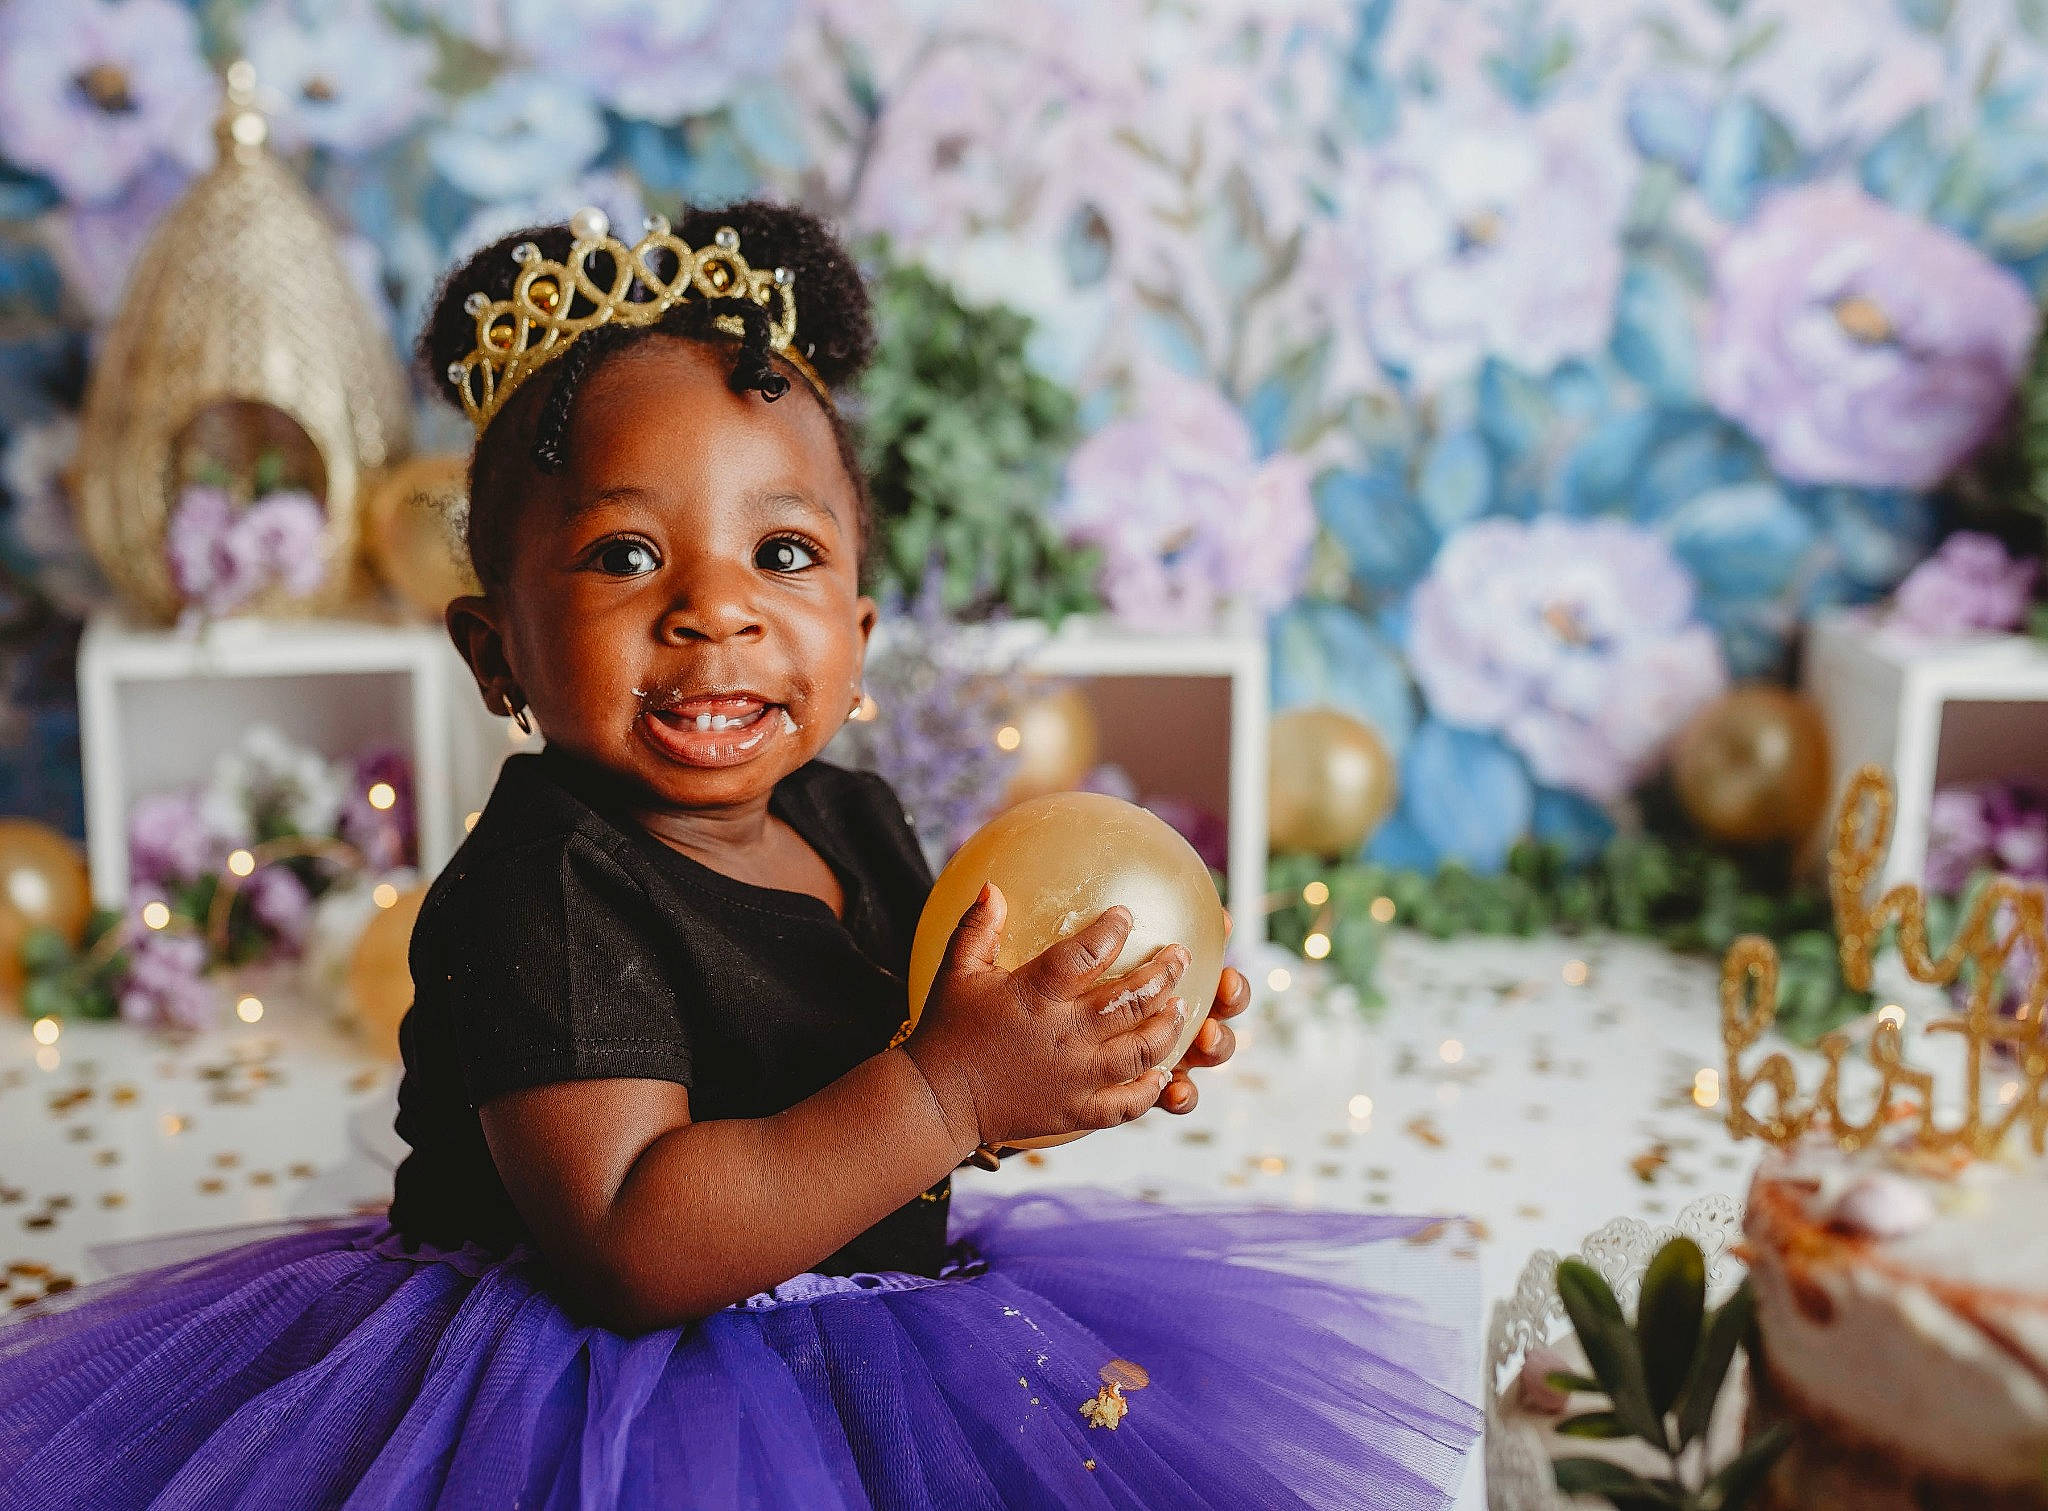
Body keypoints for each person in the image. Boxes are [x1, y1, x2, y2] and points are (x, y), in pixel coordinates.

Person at [0, 200, 1478, 1509]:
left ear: (862, 630)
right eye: (625, 556)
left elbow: (903, 1072)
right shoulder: (549, 891)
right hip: (588, 1397)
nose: (716, 609)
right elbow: (635, 1246)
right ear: (494, 648)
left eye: (783, 554)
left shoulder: (856, 820)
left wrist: (1049, 1068)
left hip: (882, 1325)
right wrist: (954, 1085)